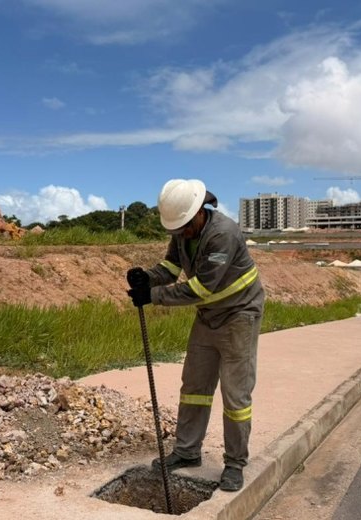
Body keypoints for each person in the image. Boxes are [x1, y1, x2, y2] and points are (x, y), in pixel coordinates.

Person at [126, 178, 265, 492]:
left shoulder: (223, 235)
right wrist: (145, 278)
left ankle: (234, 464)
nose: (181, 233)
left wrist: (153, 296)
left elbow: (202, 288)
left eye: (185, 226)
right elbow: (171, 267)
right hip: (209, 315)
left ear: (200, 211)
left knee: (236, 395)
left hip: (239, 314)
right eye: (176, 229)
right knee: (194, 385)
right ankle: (187, 452)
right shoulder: (183, 231)